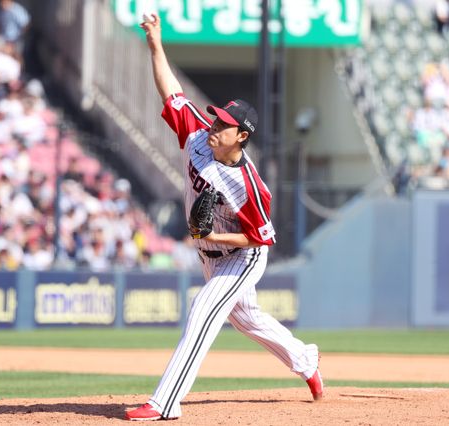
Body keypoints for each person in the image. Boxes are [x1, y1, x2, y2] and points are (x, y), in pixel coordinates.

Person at [125, 14, 323, 421]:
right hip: (209, 253)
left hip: (242, 256)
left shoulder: (250, 186)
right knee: (247, 319)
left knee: (202, 312)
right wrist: (155, 44)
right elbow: (171, 92)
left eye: (226, 125)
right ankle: (305, 360)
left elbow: (260, 240)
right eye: (217, 118)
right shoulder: (198, 136)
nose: (215, 126)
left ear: (242, 137)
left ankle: (164, 403)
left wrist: (212, 236)